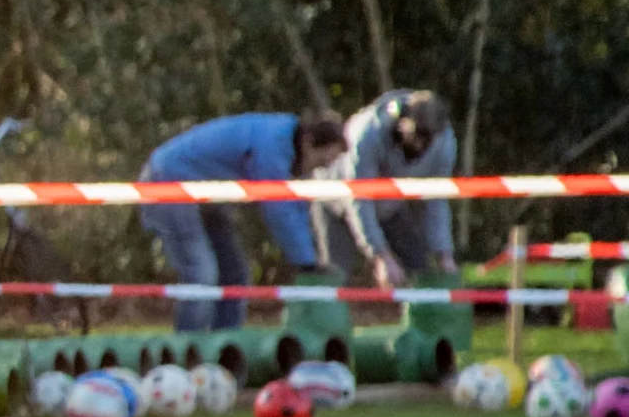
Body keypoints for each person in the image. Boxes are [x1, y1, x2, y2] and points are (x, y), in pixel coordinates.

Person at [137, 108, 350, 331]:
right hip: (168, 182)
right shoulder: (273, 146)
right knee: (202, 274)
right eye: (321, 161)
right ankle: (188, 351)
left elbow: (294, 206)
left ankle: (225, 346)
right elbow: (279, 208)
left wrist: (310, 258)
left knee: (235, 276)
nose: (319, 168)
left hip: (205, 193)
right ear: (308, 142)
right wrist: (306, 262)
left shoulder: (286, 143)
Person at [334, 87, 456, 283]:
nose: (422, 144)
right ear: (401, 117)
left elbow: (436, 201)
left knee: (420, 266)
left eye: (429, 137)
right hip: (338, 204)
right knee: (335, 277)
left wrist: (444, 255)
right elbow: (359, 201)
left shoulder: (444, 143)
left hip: (389, 207)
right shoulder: (367, 135)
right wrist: (382, 257)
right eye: (418, 133)